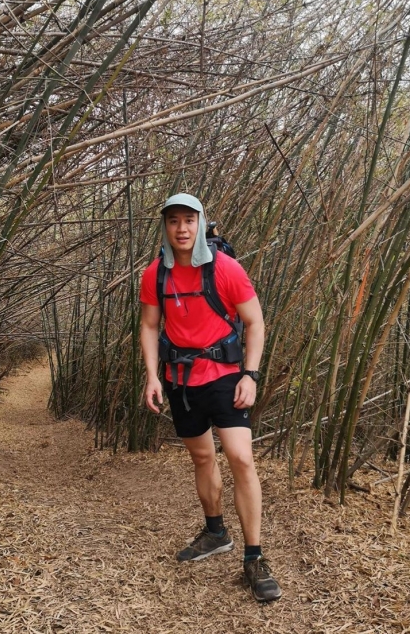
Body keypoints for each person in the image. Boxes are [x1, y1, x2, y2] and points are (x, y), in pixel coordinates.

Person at [140, 193, 281, 603]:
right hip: (180, 379)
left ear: (201, 223)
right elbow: (150, 326)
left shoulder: (226, 269)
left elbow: (255, 323)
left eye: (189, 220)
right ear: (165, 227)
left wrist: (250, 376)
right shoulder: (155, 274)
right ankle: (216, 532)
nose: (181, 228)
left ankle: (254, 557)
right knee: (202, 457)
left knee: (240, 457)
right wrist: (152, 376)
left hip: (224, 376)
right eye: (173, 221)